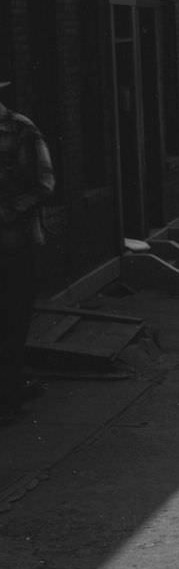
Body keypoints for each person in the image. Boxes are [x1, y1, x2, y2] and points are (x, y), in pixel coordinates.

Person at [0, 86, 55, 423]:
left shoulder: (21, 130)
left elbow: (44, 183)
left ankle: (8, 401)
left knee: (11, 323)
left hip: (15, 246)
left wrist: (5, 212)